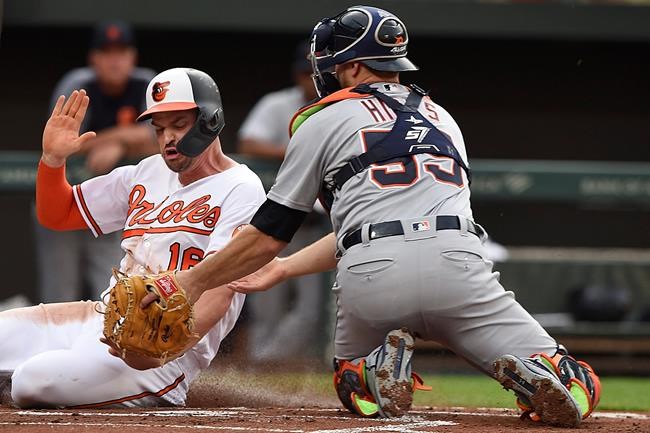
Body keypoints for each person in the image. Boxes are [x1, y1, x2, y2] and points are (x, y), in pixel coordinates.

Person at [145, 6, 601, 427]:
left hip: (372, 273)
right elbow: (394, 221)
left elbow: (270, 233)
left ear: (355, 65)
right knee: (581, 387)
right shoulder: (444, 118)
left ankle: (375, 371)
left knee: (356, 388)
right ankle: (541, 373)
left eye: (331, 62)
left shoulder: (319, 119)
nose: (324, 71)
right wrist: (283, 270)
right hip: (459, 263)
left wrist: (190, 282)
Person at [0, 67, 265, 408]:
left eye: (178, 124)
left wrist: (162, 349)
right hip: (101, 316)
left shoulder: (241, 188)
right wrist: (53, 160)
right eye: (159, 128)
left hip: (163, 353)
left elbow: (221, 286)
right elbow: (57, 214)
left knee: (31, 381)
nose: (168, 137)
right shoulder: (146, 171)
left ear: (210, 120)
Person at [35, 20, 158, 303]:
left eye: (122, 52)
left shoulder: (145, 83)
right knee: (58, 292)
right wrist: (126, 136)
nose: (115, 61)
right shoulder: (78, 84)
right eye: (106, 52)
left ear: (133, 56)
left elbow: (158, 142)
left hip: (112, 204)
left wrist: (118, 142)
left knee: (111, 290)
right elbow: (62, 142)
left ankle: (102, 347)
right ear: (94, 59)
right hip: (69, 195)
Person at [237, 41, 327, 362]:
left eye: (314, 72)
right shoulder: (278, 104)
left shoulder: (340, 107)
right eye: (305, 73)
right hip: (276, 219)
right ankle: (260, 375)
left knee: (312, 310)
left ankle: (265, 366)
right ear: (297, 75)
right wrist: (296, 150)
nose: (310, 79)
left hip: (315, 228)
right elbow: (247, 141)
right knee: (266, 306)